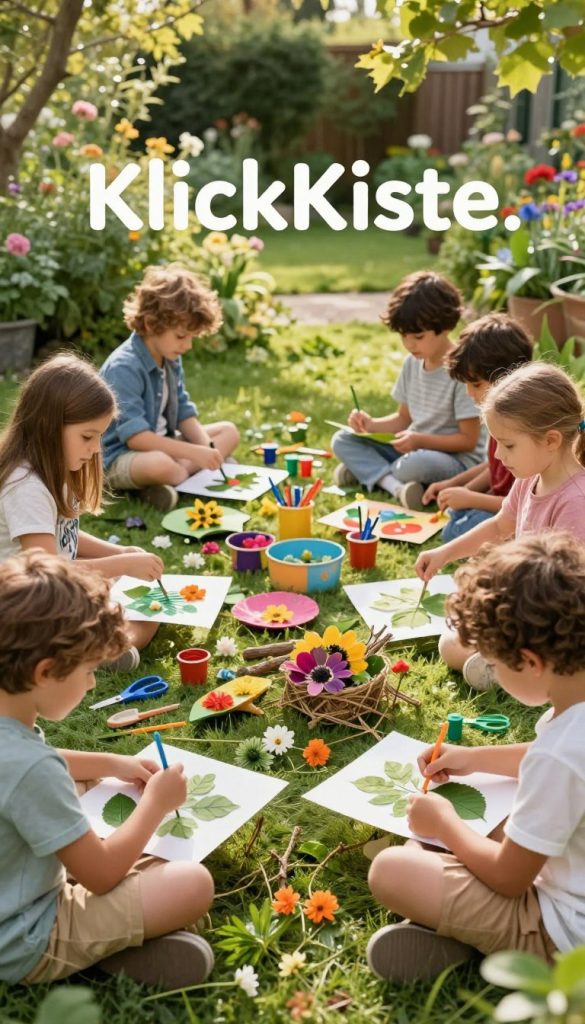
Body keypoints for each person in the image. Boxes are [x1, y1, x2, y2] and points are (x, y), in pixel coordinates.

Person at [367, 531, 585, 983]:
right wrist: (475, 757)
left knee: (395, 867)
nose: (495, 675)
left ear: (530, 661)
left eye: (495, 665)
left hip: (560, 936)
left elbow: (510, 879)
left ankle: (473, 948)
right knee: (465, 826)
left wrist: (444, 823)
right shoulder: (572, 721)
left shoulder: (561, 754)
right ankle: (452, 932)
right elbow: (554, 764)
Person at [0, 549, 214, 988]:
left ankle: (120, 946)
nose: (95, 683)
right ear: (44, 672)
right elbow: (100, 875)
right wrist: (155, 804)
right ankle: (105, 957)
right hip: (23, 937)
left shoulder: (13, 735)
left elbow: (35, 769)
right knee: (191, 883)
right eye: (89, 671)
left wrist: (113, 763)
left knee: (85, 785)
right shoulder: (30, 768)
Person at [416, 361, 585, 689]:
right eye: (495, 444)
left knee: (454, 645)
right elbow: (499, 526)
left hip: (558, 621)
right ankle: (505, 663)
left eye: (508, 445)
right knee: (453, 636)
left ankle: (512, 668)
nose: (500, 456)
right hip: (529, 606)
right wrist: (444, 553)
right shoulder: (529, 479)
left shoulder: (575, 500)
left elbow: (569, 595)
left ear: (550, 440)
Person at [0, 353, 163, 671]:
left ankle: (106, 644)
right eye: (88, 437)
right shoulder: (25, 485)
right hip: (23, 605)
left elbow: (64, 533)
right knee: (136, 611)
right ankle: (102, 648)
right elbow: (48, 571)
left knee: (146, 608)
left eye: (100, 437)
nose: (96, 448)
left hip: (52, 592)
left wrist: (119, 551)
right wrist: (122, 564)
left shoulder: (54, 468)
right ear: (48, 426)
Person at [331, 272, 486, 509]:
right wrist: (369, 425)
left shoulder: (462, 370)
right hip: (414, 448)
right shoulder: (412, 363)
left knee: (414, 465)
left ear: (444, 327)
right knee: (342, 440)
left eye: (418, 336)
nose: (409, 344)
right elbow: (403, 418)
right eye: (404, 335)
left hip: (454, 461)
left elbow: (468, 441)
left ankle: (370, 472)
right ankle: (392, 484)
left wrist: (419, 440)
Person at [101, 264, 240, 512]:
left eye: (191, 337)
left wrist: (205, 446)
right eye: (180, 336)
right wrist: (195, 455)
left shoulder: (170, 356)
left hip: (162, 442)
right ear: (153, 324)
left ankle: (171, 481)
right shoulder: (124, 367)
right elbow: (136, 438)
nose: (187, 345)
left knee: (229, 432)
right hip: (119, 456)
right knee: (159, 465)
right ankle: (181, 474)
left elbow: (184, 410)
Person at [422, 313, 533, 541]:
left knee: (456, 531)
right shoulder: (499, 417)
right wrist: (456, 486)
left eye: (476, 384)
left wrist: (471, 498)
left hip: (519, 514)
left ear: (509, 377)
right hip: (499, 504)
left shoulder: (525, 428)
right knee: (457, 515)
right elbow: (493, 466)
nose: (469, 393)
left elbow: (526, 505)